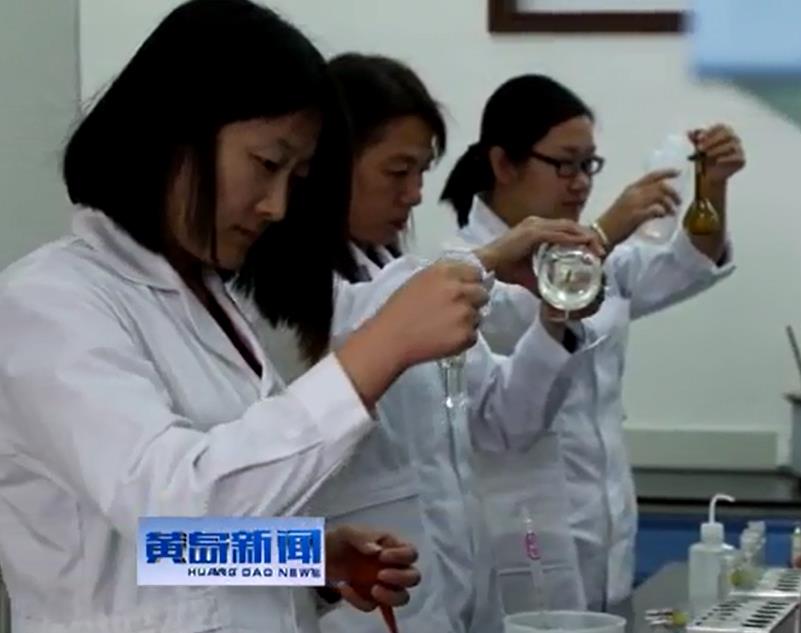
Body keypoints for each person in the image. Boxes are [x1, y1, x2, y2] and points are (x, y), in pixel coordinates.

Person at [0, 2, 487, 631]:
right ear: (174, 131)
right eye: (266, 164)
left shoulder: (208, 300)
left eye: (296, 176)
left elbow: (167, 551)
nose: (277, 205)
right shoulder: (48, 303)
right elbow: (173, 505)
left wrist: (306, 560)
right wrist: (380, 349)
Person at [261, 54, 599, 633]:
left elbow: (503, 421)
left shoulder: (398, 275)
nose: (416, 194)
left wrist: (554, 321)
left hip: (450, 592)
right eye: (398, 171)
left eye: (422, 171)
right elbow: (359, 330)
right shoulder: (286, 293)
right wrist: (483, 260)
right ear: (330, 165)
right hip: (357, 611)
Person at [441, 74, 745, 622]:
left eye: (589, 165)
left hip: (606, 530)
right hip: (523, 534)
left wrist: (712, 186)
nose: (581, 182)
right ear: (504, 164)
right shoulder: (461, 264)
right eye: (565, 164)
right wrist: (604, 233)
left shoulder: (604, 262)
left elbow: (687, 263)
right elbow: (514, 314)